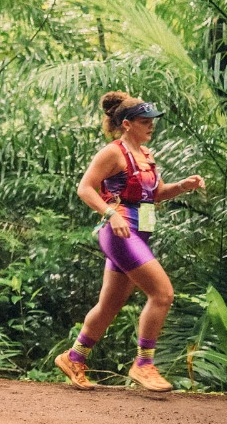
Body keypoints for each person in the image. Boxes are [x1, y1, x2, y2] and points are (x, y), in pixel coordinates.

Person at [55, 92, 205, 393]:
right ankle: (144, 364)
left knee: (109, 305)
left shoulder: (146, 156)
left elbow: (156, 193)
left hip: (138, 233)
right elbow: (84, 188)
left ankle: (74, 358)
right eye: (144, 121)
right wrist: (111, 214)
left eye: (152, 121)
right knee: (162, 294)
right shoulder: (113, 153)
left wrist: (182, 186)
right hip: (120, 233)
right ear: (126, 124)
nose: (151, 126)